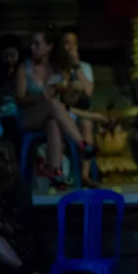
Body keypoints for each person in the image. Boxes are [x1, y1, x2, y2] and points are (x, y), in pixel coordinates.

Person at [14, 27, 96, 189]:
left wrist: (68, 90)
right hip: (30, 116)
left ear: (49, 47)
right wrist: (41, 96)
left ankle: (56, 173)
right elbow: (19, 101)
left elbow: (69, 100)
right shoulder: (24, 68)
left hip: (53, 117)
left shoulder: (59, 69)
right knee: (51, 104)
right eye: (31, 44)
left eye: (37, 44)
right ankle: (82, 144)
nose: (32, 47)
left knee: (53, 121)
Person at [0, 115, 34, 274]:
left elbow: (21, 223)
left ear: (2, 160)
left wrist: (0, 224)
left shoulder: (17, 188)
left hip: (17, 245)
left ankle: (25, 271)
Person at [59, 26, 98, 188]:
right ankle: (61, 174)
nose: (71, 47)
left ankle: (84, 176)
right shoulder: (57, 68)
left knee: (87, 124)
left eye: (73, 43)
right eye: (67, 43)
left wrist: (77, 68)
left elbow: (88, 91)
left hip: (81, 112)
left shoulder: (85, 67)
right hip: (63, 112)